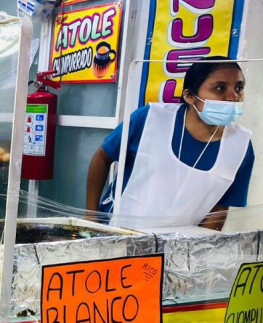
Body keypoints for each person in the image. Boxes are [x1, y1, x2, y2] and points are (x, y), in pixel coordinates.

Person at [86, 57, 254, 230]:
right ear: (189, 96)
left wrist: (203, 242)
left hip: (177, 242)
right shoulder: (150, 119)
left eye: (239, 88)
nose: (233, 97)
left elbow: (220, 205)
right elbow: (102, 158)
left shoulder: (240, 146)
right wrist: (91, 218)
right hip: (118, 231)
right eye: (220, 88)